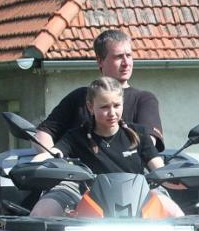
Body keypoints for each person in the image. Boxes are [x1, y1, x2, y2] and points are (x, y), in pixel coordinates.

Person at [29, 77, 183, 217]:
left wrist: (180, 178)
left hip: (139, 193)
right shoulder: (75, 136)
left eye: (116, 105)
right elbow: (54, 154)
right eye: (104, 107)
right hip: (84, 193)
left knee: (177, 215)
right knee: (41, 212)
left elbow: (159, 170)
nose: (112, 113)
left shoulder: (139, 133)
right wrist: (37, 162)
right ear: (90, 107)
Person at [34, 29, 163, 152]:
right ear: (100, 61)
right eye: (118, 57)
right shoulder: (79, 97)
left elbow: (148, 144)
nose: (126, 63)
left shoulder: (144, 100)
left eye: (129, 56)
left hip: (127, 168)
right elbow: (43, 134)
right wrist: (54, 159)